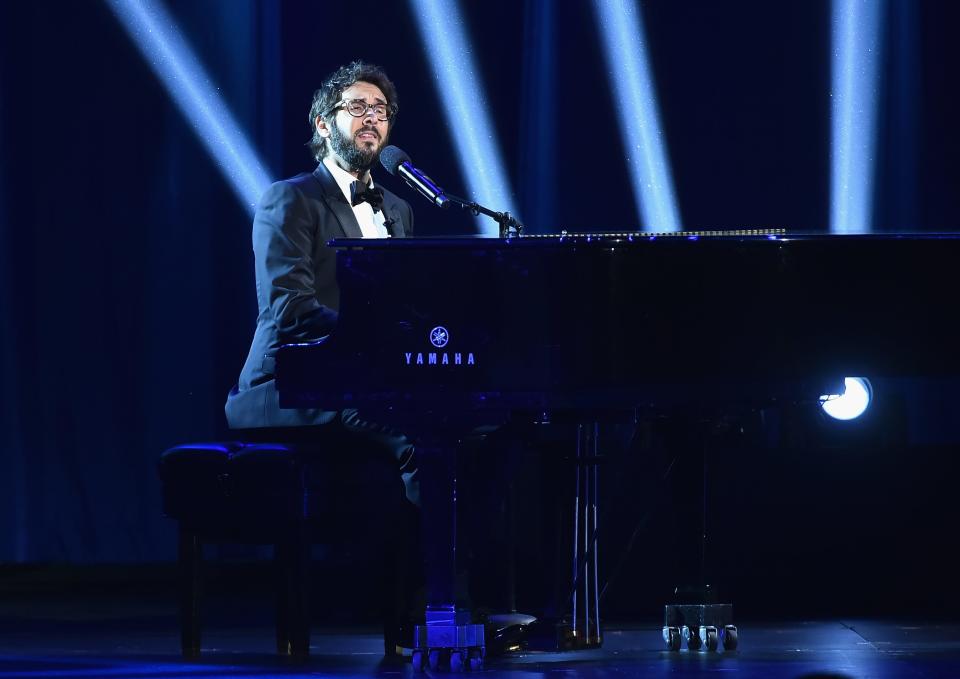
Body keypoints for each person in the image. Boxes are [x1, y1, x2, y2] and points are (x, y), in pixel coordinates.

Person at [224, 61, 420, 654]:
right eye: (357, 107)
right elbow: (289, 309)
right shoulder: (289, 200)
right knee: (422, 437)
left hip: (368, 380)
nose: (372, 118)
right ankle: (429, 610)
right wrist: (380, 342)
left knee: (482, 425)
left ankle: (455, 601)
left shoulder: (400, 208)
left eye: (381, 110)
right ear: (322, 122)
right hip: (289, 382)